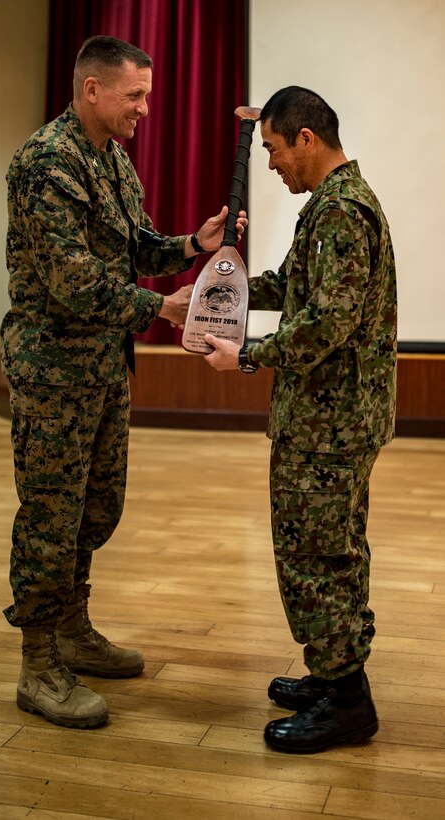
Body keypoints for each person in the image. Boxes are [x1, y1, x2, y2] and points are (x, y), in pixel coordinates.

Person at [0, 35, 247, 730]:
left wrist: (189, 248)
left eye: (146, 94)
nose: (145, 107)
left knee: (96, 507)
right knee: (50, 516)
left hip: (104, 365)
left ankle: (73, 628)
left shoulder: (111, 157)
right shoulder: (47, 164)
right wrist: (159, 307)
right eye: (134, 95)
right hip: (54, 369)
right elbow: (73, 278)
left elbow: (133, 242)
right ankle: (39, 661)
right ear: (92, 91)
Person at [203, 86, 396, 754]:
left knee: (316, 556)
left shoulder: (341, 212)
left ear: (306, 139)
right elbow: (292, 290)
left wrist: (246, 356)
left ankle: (346, 702)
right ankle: (333, 673)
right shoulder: (331, 207)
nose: (273, 164)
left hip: (330, 424)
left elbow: (326, 325)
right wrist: (224, 287)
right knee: (334, 549)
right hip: (332, 417)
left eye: (275, 150)